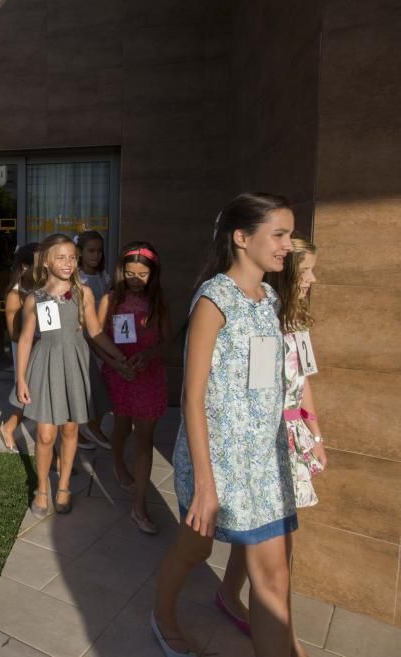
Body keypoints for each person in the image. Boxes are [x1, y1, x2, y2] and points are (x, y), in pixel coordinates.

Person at [152, 192, 296, 657]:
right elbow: (192, 397)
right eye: (279, 234)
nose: (288, 245)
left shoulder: (269, 298)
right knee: (194, 550)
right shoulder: (215, 299)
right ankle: (162, 614)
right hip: (215, 461)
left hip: (264, 465)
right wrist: (206, 487)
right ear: (241, 237)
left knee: (274, 580)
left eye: (288, 235)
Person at [216, 234, 328, 657]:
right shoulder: (263, 322)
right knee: (276, 541)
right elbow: (258, 392)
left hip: (294, 436)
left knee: (268, 535)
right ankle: (284, 635)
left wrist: (315, 435)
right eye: (307, 271)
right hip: (268, 441)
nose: (313, 279)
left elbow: (304, 382)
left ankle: (229, 595)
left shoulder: (294, 320)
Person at [16, 234, 131, 516]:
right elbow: (26, 339)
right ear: (46, 261)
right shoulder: (35, 298)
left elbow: (94, 331)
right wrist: (20, 378)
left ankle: (64, 485)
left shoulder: (84, 293)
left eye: (72, 257)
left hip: (76, 363)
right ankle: (42, 488)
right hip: (47, 364)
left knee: (70, 429)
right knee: (45, 435)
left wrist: (119, 355)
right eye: (61, 257)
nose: (68, 263)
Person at [98, 241, 170, 535]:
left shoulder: (159, 302)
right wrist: (116, 365)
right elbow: (96, 338)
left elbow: (167, 340)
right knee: (121, 427)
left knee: (144, 440)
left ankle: (139, 505)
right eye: (130, 272)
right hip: (119, 375)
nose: (136, 278)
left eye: (143, 273)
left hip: (148, 376)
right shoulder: (111, 299)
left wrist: (149, 355)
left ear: (153, 274)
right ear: (121, 271)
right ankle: (117, 462)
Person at [0, 242, 38, 450]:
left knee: (35, 396)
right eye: (40, 265)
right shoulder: (15, 295)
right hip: (26, 351)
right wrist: (36, 338)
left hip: (41, 349)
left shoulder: (42, 288)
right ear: (24, 267)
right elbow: (14, 335)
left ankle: (10, 427)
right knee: (29, 394)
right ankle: (8, 427)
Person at [75, 230, 113, 450]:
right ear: (79, 252)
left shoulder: (103, 276)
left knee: (102, 386)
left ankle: (92, 425)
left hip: (102, 335)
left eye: (99, 251)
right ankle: (82, 430)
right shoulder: (79, 279)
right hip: (86, 338)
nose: (96, 255)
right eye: (91, 251)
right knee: (85, 388)